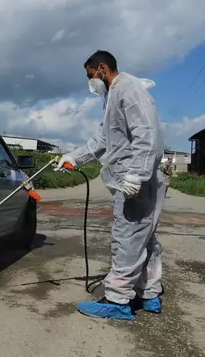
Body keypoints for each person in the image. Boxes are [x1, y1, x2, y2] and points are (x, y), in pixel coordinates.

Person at [54, 50, 166, 321]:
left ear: (102, 68)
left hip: (135, 180)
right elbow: (101, 140)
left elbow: (146, 132)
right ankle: (149, 293)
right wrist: (73, 158)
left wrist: (135, 174)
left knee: (127, 238)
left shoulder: (128, 89)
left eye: (90, 75)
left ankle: (117, 300)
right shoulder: (112, 96)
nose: (90, 81)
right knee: (145, 238)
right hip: (138, 178)